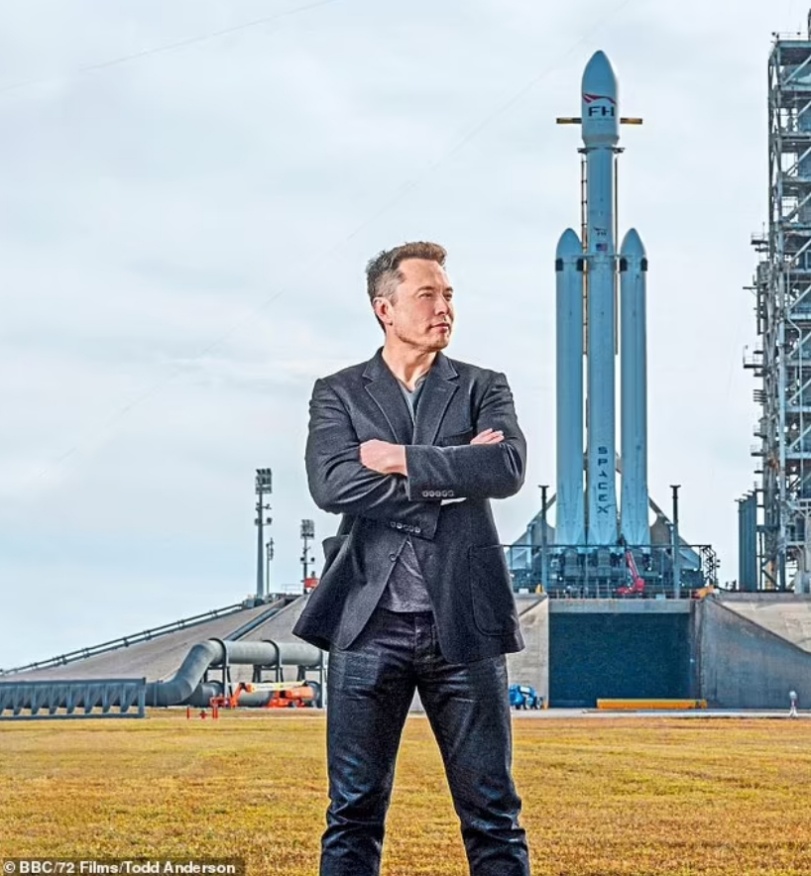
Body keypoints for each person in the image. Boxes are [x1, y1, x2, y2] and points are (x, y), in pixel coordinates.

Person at [293, 241, 530, 876]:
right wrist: (451, 480)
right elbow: (333, 485)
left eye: (448, 294)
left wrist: (399, 458)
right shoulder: (338, 393)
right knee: (353, 812)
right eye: (427, 295)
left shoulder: (484, 386)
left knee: (492, 814)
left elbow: (505, 467)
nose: (444, 307)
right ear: (384, 308)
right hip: (367, 628)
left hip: (466, 626)